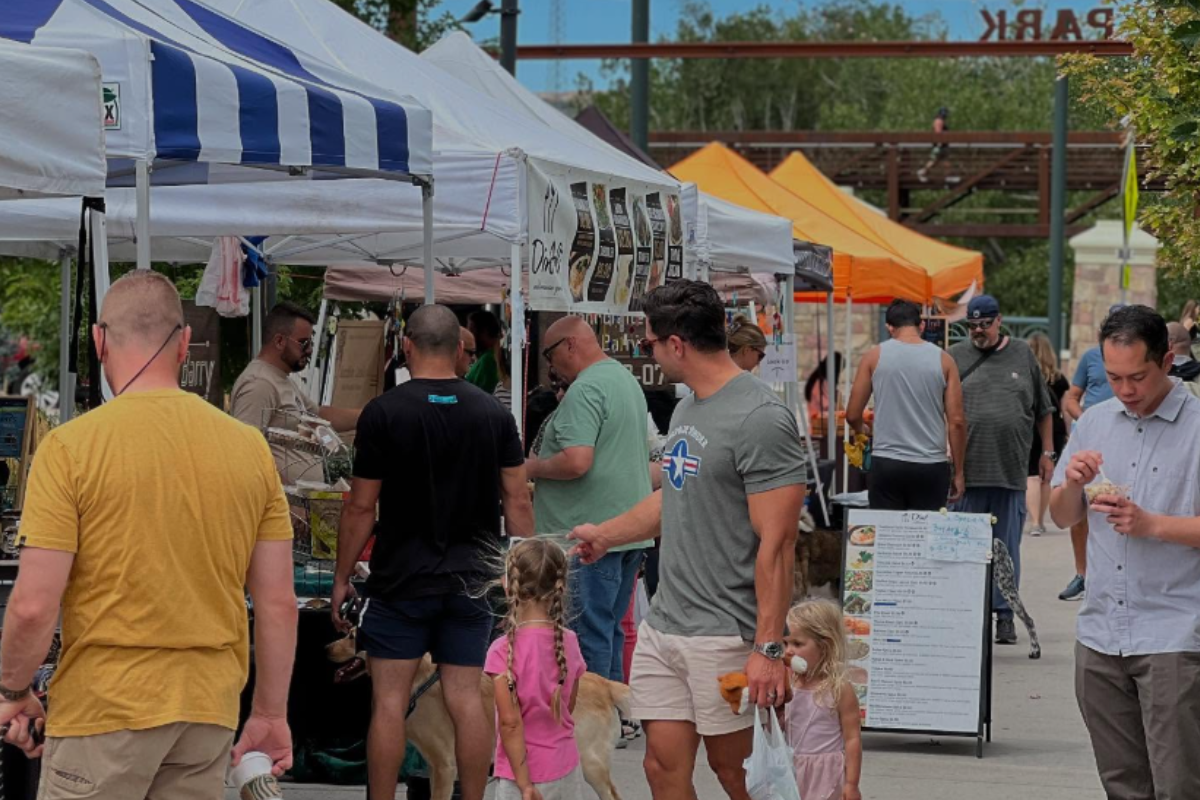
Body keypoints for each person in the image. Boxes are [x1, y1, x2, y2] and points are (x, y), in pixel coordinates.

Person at [0, 271, 297, 795]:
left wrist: (12, 689)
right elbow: (277, 601)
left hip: (103, 710)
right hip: (207, 712)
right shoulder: (249, 449)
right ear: (185, 343)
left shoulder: (70, 449)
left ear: (97, 340)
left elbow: (32, 605)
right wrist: (271, 712)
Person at [570, 280, 807, 800]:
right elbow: (676, 498)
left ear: (676, 344)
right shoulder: (686, 408)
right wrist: (607, 535)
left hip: (726, 633)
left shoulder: (761, 418)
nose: (648, 351)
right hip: (666, 624)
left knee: (738, 775)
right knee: (660, 767)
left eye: (650, 342)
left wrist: (768, 648)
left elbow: (779, 544)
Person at [331, 304, 534, 800]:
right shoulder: (494, 413)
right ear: (461, 350)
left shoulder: (383, 412)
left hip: (400, 579)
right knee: (467, 699)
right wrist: (522, 575)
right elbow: (518, 498)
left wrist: (341, 578)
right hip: (472, 579)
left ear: (406, 346)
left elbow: (361, 506)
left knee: (388, 703)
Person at [1049, 305, 1200, 800]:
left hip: (1173, 632)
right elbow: (1062, 515)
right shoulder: (1094, 421)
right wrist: (1072, 483)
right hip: (1100, 632)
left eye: (1137, 376)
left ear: (1168, 359)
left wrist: (1152, 524)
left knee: (1178, 785)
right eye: (1114, 377)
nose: (1126, 390)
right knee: (1122, 785)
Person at [528, 316, 652, 682]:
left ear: (570, 344)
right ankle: (611, 718)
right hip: (625, 528)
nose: (551, 367)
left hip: (587, 534)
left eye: (550, 355)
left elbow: (577, 460)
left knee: (586, 634)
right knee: (609, 628)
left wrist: (531, 467)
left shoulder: (585, 389)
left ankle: (591, 724)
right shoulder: (624, 379)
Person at [949, 294, 1053, 645]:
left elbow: (1044, 409)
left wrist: (1047, 453)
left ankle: (1005, 615)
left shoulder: (1022, 353)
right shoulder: (955, 356)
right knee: (964, 548)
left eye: (984, 324)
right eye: (972, 325)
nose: (978, 330)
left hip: (1010, 470)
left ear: (999, 321)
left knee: (1006, 548)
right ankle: (967, 614)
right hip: (966, 472)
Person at [485, 538, 588, 800]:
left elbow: (510, 722)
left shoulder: (501, 650)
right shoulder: (570, 642)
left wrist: (524, 784)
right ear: (560, 587)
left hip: (521, 774)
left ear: (508, 585)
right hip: (566, 766)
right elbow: (569, 702)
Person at [847, 299, 966, 510]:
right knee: (925, 536)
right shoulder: (945, 360)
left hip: (887, 462)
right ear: (921, 326)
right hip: (931, 465)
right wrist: (958, 472)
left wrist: (861, 430)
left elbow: (853, 414)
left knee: (888, 535)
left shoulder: (873, 357)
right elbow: (956, 422)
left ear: (889, 327)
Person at [230, 301, 359, 483]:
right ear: (279, 341)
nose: (310, 350)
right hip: (287, 507)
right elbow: (246, 454)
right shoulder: (259, 384)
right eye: (304, 342)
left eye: (311, 342)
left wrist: (368, 415)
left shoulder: (280, 378)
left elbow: (317, 416)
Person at [1059, 304, 1125, 602]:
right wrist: (1084, 417)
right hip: (1094, 439)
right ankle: (1082, 573)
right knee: (1081, 508)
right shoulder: (1090, 357)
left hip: (1126, 438)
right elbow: (1071, 396)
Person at [783, 601, 863, 800]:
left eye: (798, 644)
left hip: (824, 772)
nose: (788, 651)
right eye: (785, 643)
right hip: (787, 766)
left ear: (824, 646)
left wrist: (851, 784)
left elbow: (852, 738)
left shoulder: (839, 688)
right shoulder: (787, 681)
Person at [1025, 333, 1069, 536]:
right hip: (1055, 430)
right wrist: (1069, 433)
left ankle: (1033, 521)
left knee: (1032, 475)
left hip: (1030, 427)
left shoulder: (1025, 375)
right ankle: (1040, 520)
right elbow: (1065, 409)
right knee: (1046, 477)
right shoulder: (1059, 379)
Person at [465, 310, 503, 393]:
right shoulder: (485, 358)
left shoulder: (488, 360)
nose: (470, 336)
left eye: (472, 331)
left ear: (484, 332)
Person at [806, 353, 843, 421]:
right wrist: (838, 399)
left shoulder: (819, 381)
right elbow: (828, 406)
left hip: (820, 423)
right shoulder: (820, 383)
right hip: (820, 424)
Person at [916, 106, 950, 182]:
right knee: (934, 161)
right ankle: (922, 173)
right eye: (945, 113)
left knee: (945, 163)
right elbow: (938, 133)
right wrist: (940, 143)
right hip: (939, 145)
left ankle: (947, 178)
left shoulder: (941, 121)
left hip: (942, 145)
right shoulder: (938, 121)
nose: (946, 115)